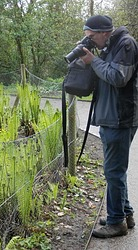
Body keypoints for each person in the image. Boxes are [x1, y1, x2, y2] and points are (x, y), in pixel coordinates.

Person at [80, 15, 138, 238]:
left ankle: (116, 223)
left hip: (120, 118)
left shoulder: (126, 44)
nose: (91, 41)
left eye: (92, 37)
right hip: (110, 117)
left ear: (104, 32)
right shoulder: (109, 46)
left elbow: (117, 77)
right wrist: (90, 59)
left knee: (113, 171)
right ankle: (125, 214)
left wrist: (93, 61)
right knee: (115, 171)